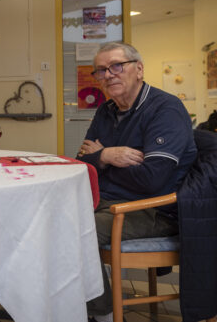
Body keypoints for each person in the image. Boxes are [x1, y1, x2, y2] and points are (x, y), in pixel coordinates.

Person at [77, 42, 197, 322]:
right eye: (101, 70)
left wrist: (101, 161)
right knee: (46, 218)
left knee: (74, 229)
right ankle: (60, 306)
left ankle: (101, 314)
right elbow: (82, 164)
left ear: (139, 69)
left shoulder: (166, 109)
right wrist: (107, 155)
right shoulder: (106, 110)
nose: (108, 75)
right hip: (111, 201)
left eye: (117, 66)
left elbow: (152, 180)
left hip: (154, 210)